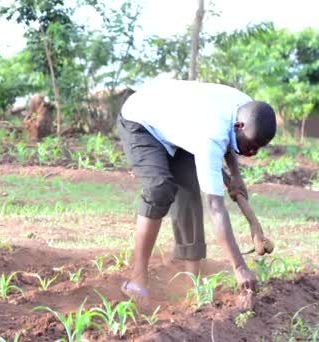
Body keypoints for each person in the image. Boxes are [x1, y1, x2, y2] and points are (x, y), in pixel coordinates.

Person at [117, 79, 276, 302]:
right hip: (142, 121)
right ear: (240, 126)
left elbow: (230, 137)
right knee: (159, 188)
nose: (254, 151)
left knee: (190, 190)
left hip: (182, 122)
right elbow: (216, 208)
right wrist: (239, 267)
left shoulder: (248, 108)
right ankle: (137, 277)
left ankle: (190, 278)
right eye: (252, 144)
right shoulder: (211, 134)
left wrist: (236, 176)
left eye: (259, 147)